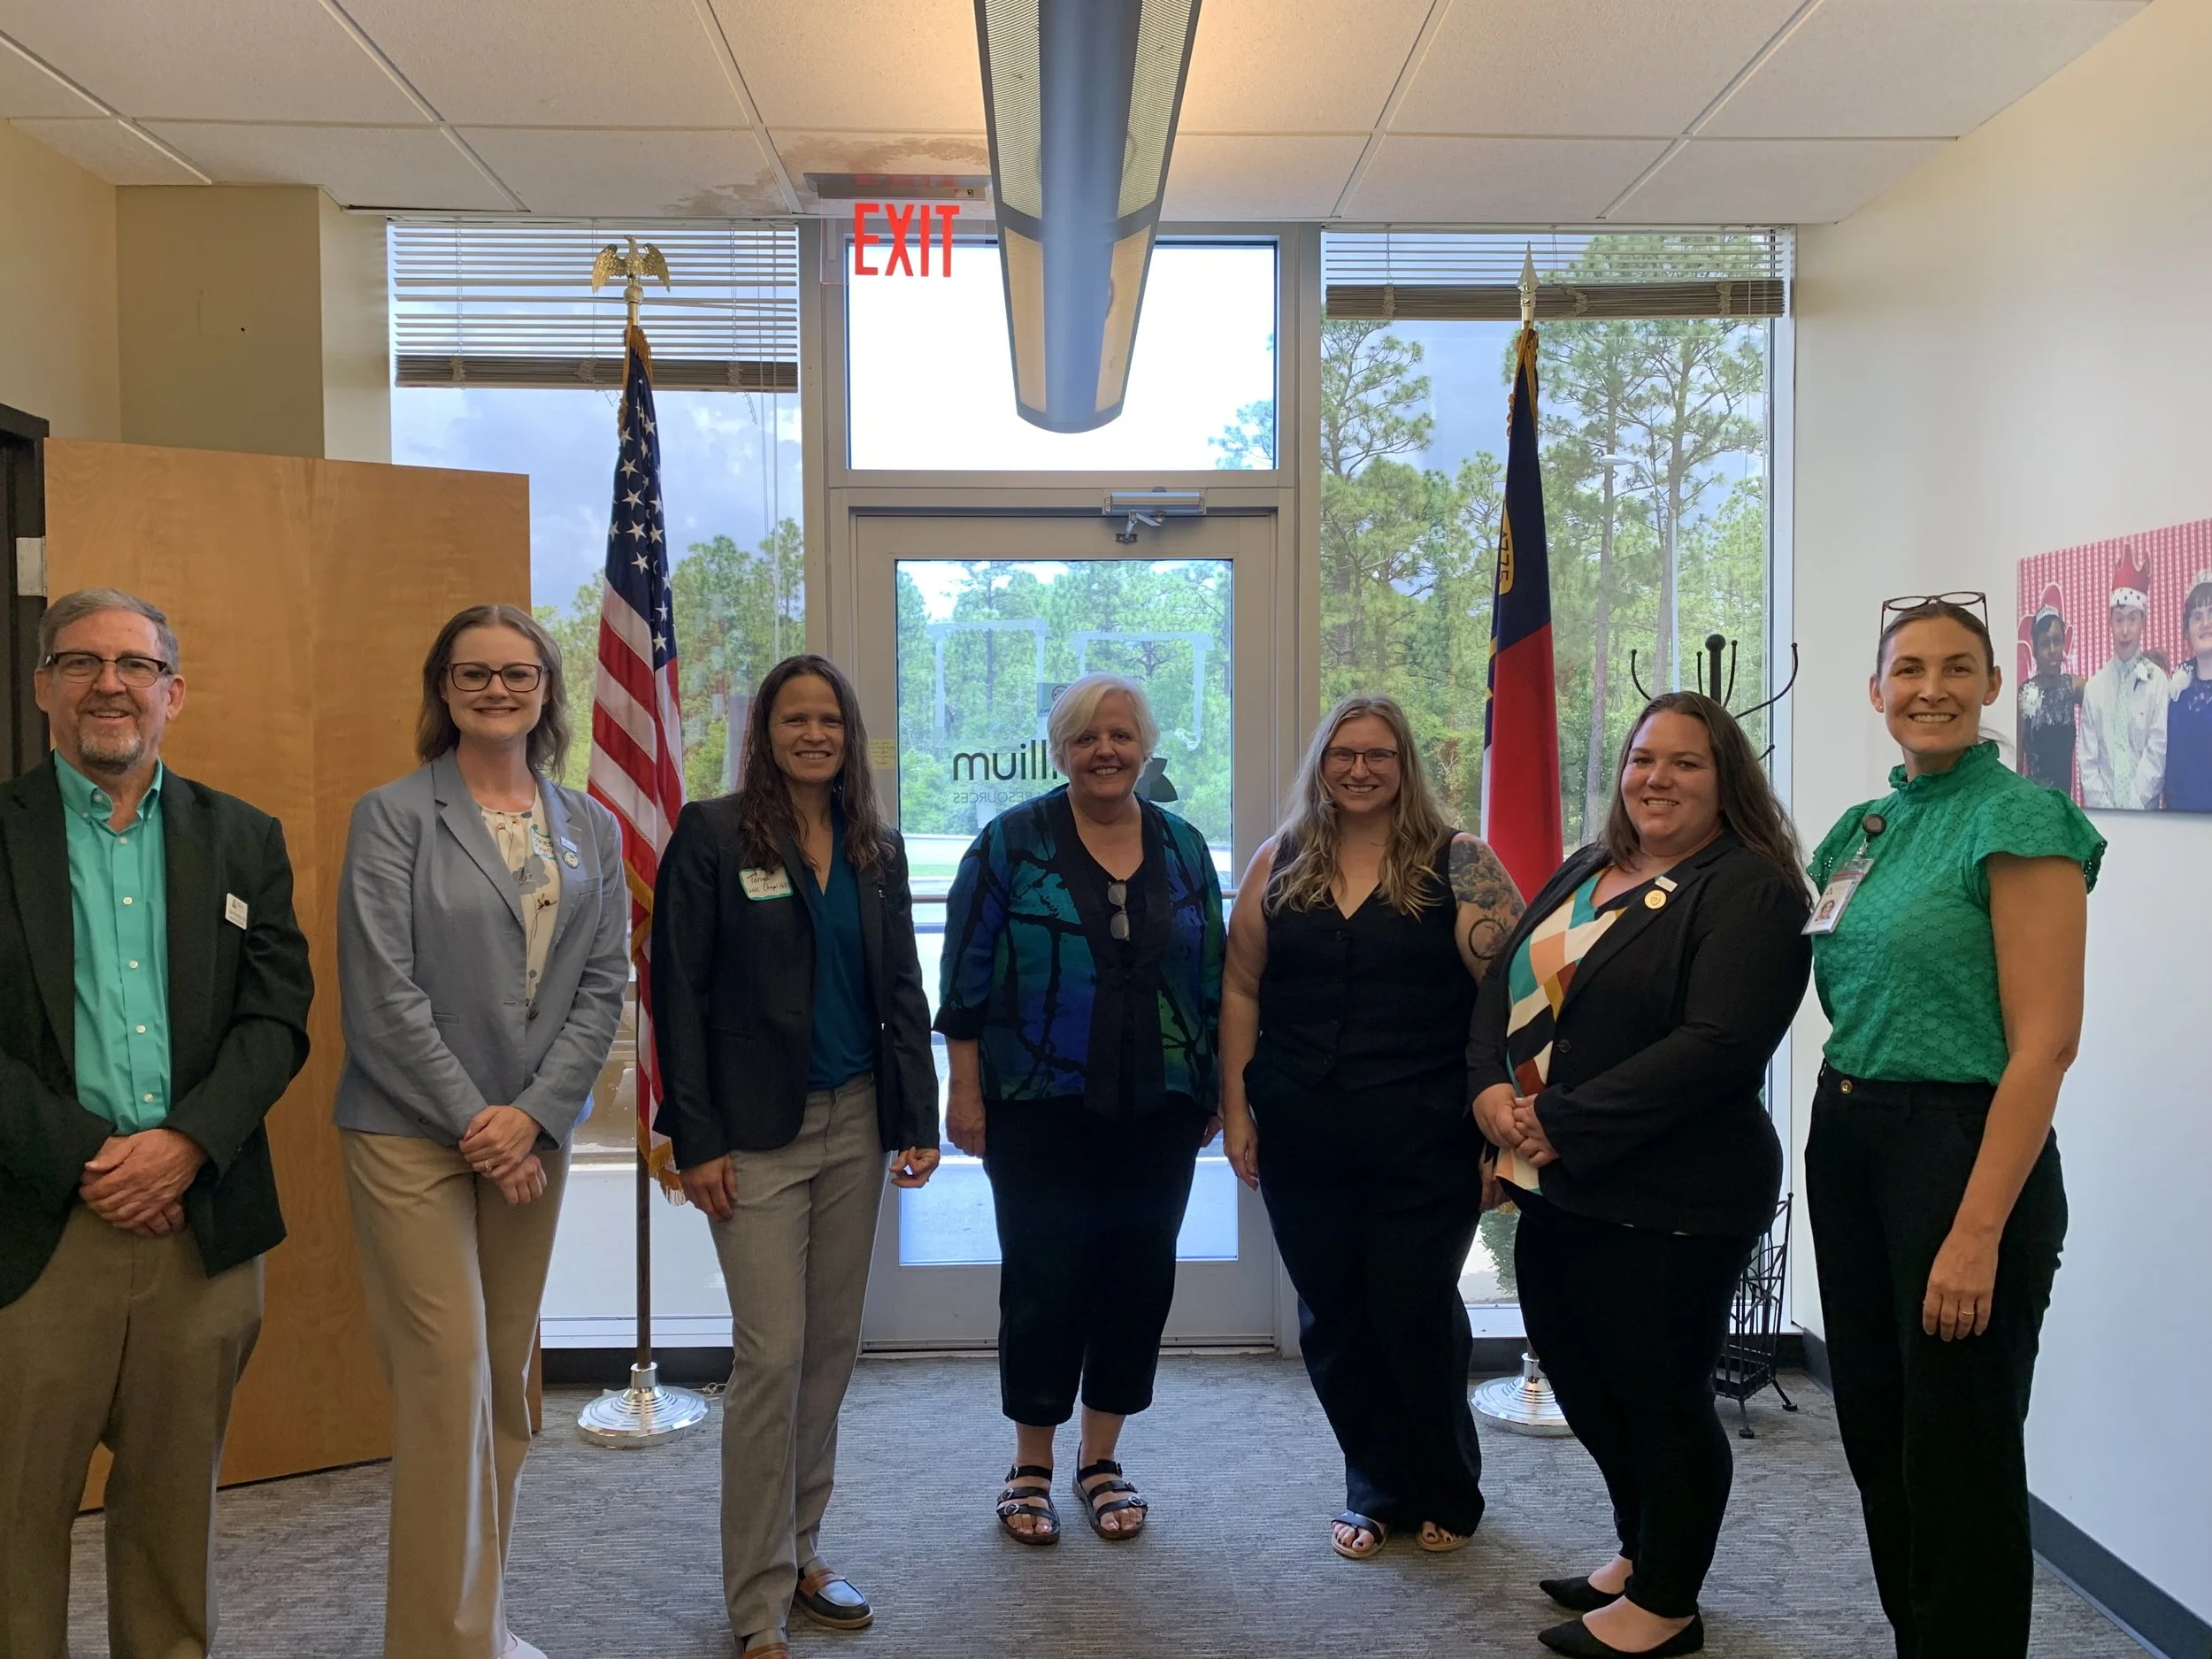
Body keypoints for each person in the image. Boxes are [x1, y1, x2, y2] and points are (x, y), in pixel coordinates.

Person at [0, 587, 312, 1659]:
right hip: (37, 1228)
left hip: (200, 1223)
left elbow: (276, 1017)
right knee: (15, 1521)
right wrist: (94, 1157)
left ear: (172, 693)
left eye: (135, 665)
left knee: (174, 1518)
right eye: (80, 663)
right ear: (43, 689)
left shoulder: (244, 839)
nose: (110, 685)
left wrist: (182, 1146)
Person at [1469, 692, 1811, 1659]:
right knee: (1585, 1379)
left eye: (1685, 763)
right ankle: (1640, 1549)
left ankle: (1667, 1603)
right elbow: (1501, 988)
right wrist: (1487, 1091)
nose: (1656, 778)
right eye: (1642, 758)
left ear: (1725, 779)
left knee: (1659, 1396)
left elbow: (1717, 1044)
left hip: (1674, 1193)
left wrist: (1558, 1119)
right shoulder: (1589, 866)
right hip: (1559, 1183)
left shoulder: (1752, 889)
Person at [1806, 597, 2102, 1659]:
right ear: (1875, 690)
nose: (1929, 688)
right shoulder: (1865, 827)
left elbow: (2046, 1045)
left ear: (1990, 686)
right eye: (1908, 669)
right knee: (1879, 1436)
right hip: (1849, 1135)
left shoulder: (2019, 820)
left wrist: (1976, 1233)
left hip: (1961, 1152)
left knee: (1957, 1455)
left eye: (1954, 667)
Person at [334, 604, 628, 1659]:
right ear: (443, 688)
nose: (497, 689)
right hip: (411, 1133)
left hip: (529, 1140)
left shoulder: (588, 825)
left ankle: (480, 1625)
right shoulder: (393, 816)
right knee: (447, 1379)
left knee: (504, 1384)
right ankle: (440, 1645)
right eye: (474, 673)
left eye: (518, 673)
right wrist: (478, 1121)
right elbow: (382, 995)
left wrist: (533, 1117)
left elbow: (601, 985)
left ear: (547, 690)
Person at [654, 655, 941, 1659]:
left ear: (848, 735)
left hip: (857, 1123)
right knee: (771, 1356)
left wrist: (919, 1116)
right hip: (754, 1135)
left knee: (828, 1351)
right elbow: (677, 993)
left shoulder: (875, 845)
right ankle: (756, 1599)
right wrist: (696, 1138)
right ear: (765, 732)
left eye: (829, 719)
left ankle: (803, 1549)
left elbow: (901, 986)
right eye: (794, 719)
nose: (813, 734)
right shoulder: (713, 833)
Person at [1218, 694, 1523, 1562]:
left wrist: (1501, 1130)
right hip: (1301, 1131)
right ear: (1321, 764)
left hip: (1426, 1135)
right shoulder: (1278, 862)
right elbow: (1240, 986)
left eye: (1377, 754)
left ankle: (1448, 1486)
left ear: (1403, 765)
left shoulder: (1459, 861)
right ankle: (1375, 1487)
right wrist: (1236, 1111)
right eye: (1342, 753)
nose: (1359, 769)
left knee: (1412, 1308)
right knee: (1334, 1317)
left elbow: (1511, 996)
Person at [938, 673, 1225, 1546]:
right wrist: (963, 1087)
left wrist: (1213, 1084)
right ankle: (1029, 1464)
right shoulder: (1009, 842)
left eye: (1121, 736)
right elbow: (964, 976)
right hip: (1036, 1103)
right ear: (1060, 750)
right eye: (1086, 737)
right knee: (1044, 1280)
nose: (1105, 751)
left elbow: (1212, 975)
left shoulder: (1183, 845)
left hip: (1161, 1106)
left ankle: (1101, 1460)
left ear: (1145, 747)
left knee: (1138, 1278)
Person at [2078, 546, 2166, 808]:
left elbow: (2158, 749)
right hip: (2103, 815)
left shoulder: (2158, 682)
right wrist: (2107, 811)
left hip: (2145, 811)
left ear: (2143, 622)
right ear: (2110, 623)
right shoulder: (2094, 688)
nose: (2125, 630)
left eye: (2132, 619)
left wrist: (2133, 807)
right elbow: (2088, 759)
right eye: (2119, 620)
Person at [2016, 604, 2081, 795]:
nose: (2052, 650)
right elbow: (2018, 761)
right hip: (2034, 802)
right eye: (2045, 643)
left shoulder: (2073, 687)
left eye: (2057, 641)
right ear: (2035, 649)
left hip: (2064, 802)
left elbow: (2107, 695)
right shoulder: (2026, 693)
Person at [2161, 572, 2212, 811]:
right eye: (2197, 617)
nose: (2206, 623)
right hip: (2179, 821)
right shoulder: (2175, 689)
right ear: (2187, 630)